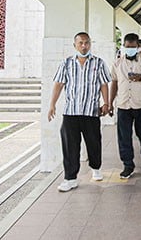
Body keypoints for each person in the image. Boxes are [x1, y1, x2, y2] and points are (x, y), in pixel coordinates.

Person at [48, 32, 111, 193]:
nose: (84, 46)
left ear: (90, 44)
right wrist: (52, 105)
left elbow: (104, 84)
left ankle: (96, 168)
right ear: (75, 45)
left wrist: (107, 103)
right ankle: (70, 178)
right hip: (71, 112)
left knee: (94, 143)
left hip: (91, 111)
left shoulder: (98, 63)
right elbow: (59, 84)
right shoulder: (66, 63)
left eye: (87, 43)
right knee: (70, 146)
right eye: (81, 43)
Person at [109, 33, 141, 179]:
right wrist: (110, 103)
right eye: (127, 47)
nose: (130, 49)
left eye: (133, 47)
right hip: (123, 105)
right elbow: (114, 83)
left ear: (138, 47)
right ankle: (128, 165)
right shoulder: (117, 63)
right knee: (124, 137)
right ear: (123, 46)